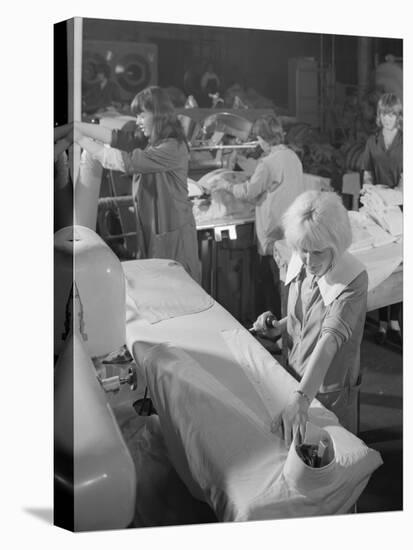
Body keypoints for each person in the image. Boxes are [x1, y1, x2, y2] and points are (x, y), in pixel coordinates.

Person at [252, 190, 368, 444]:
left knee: (333, 454)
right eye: (304, 250)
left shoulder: (353, 279)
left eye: (318, 253)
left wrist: (302, 398)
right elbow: (303, 318)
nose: (308, 260)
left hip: (329, 387)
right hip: (294, 374)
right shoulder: (301, 259)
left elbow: (329, 342)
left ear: (336, 247)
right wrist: (279, 328)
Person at [74, 86, 201, 283]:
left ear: (158, 115)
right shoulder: (151, 143)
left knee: (178, 288)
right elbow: (118, 138)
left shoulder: (172, 148)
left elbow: (124, 161)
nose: (139, 122)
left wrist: (80, 139)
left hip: (174, 236)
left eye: (142, 115)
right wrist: (77, 126)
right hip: (155, 232)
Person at [211, 114, 304, 319]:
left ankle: (277, 333)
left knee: (272, 284)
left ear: (263, 138)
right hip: (291, 230)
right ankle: (288, 330)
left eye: (258, 138)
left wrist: (225, 185)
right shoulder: (292, 157)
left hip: (272, 231)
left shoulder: (268, 163)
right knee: (288, 284)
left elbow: (249, 192)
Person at [362, 92, 403, 346]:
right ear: (380, 115)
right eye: (385, 114)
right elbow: (366, 172)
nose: (388, 118)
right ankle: (383, 323)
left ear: (399, 115)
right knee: (380, 262)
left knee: (398, 263)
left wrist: (391, 193)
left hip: (399, 207)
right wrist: (369, 188)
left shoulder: (406, 140)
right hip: (377, 206)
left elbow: (403, 182)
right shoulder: (372, 140)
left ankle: (396, 321)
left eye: (393, 114)